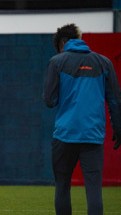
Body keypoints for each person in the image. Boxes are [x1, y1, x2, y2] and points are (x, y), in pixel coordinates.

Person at [43, 23, 121, 215]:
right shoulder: (104, 62)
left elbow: (49, 100)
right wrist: (118, 128)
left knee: (62, 186)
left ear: (62, 44)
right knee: (94, 190)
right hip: (93, 136)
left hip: (64, 136)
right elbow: (115, 100)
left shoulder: (57, 62)